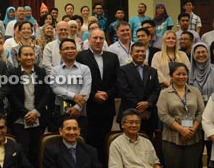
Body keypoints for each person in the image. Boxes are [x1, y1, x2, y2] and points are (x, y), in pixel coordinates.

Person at [157, 62, 205, 168]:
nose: (181, 77)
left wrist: (193, 128)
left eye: (184, 74)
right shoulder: (165, 93)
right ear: (171, 76)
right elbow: (163, 115)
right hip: (172, 139)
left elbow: (201, 113)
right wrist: (181, 129)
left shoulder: (195, 91)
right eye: (178, 74)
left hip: (194, 138)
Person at [76, 28, 119, 159]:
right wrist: (94, 94)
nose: (98, 41)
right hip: (88, 107)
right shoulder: (80, 56)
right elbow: (78, 80)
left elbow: (118, 81)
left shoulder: (112, 57)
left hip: (107, 106)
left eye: (101, 38)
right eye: (95, 38)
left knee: (105, 141)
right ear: (89, 40)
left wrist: (107, 94)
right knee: (89, 141)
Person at [8, 45, 52, 167]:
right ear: (18, 57)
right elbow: (11, 96)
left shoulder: (41, 72)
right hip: (19, 119)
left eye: (31, 55)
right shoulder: (12, 73)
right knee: (22, 151)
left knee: (36, 151)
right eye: (25, 55)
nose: (29, 57)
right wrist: (26, 114)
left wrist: (36, 112)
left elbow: (47, 93)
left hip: (38, 119)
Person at [189, 42, 214, 168]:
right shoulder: (187, 72)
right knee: (194, 153)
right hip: (192, 118)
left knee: (212, 152)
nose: (201, 55)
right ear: (193, 55)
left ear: (208, 54)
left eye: (204, 52)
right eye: (198, 53)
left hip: (213, 119)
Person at [117, 42, 161, 137]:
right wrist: (140, 108)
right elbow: (124, 91)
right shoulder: (123, 70)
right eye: (137, 51)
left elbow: (157, 90)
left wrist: (148, 103)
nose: (140, 53)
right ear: (131, 54)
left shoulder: (152, 71)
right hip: (129, 113)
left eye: (142, 51)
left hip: (148, 116)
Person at [50, 38, 91, 135]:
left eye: (73, 48)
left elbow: (86, 90)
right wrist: (73, 96)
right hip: (61, 108)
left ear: (76, 51)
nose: (70, 50)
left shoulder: (85, 69)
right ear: (60, 52)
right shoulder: (55, 70)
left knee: (80, 139)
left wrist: (77, 107)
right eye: (66, 48)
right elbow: (55, 87)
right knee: (62, 139)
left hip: (81, 109)